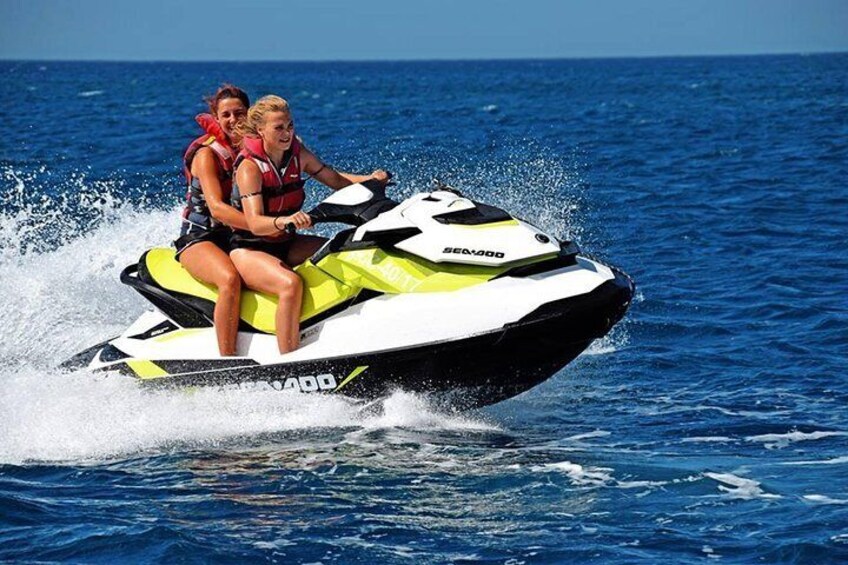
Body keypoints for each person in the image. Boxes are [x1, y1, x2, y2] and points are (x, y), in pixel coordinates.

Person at [230, 95, 389, 354]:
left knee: (346, 253)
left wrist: (370, 180)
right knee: (289, 284)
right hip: (250, 249)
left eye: (290, 125)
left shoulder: (298, 155)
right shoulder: (249, 168)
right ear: (260, 131)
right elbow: (255, 223)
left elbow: (335, 181)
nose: (287, 133)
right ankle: (289, 359)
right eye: (278, 128)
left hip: (287, 242)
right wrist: (286, 220)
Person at [174, 84, 251, 356]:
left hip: (235, 236)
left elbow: (316, 169)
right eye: (226, 115)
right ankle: (228, 360)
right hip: (199, 239)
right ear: (216, 118)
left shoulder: (255, 148)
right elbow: (217, 209)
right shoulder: (207, 155)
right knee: (229, 279)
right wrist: (268, 224)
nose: (233, 120)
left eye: (239, 113)